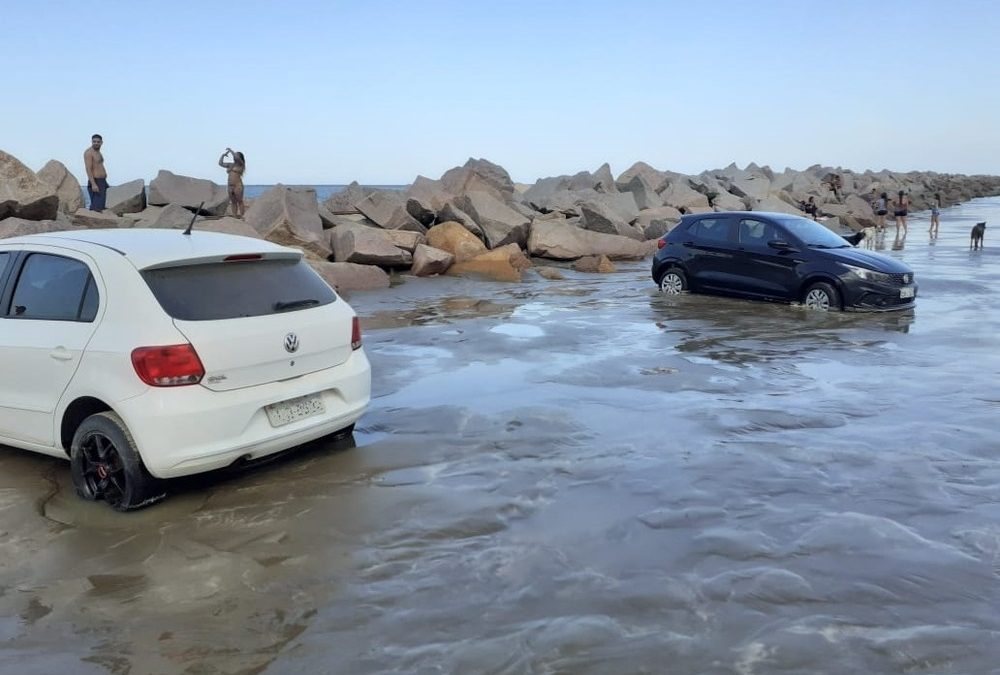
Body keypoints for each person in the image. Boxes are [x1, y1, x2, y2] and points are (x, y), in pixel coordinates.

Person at [218, 147, 246, 217]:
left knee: (240, 201)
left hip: (238, 185)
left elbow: (237, 158)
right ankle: (234, 216)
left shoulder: (241, 164)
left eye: (236, 155)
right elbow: (220, 163)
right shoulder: (231, 164)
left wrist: (230, 150)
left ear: (240, 157)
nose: (234, 156)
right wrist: (223, 155)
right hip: (230, 185)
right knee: (233, 202)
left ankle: (243, 215)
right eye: (234, 155)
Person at [84, 134, 108, 212]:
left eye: (98, 142)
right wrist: (93, 184)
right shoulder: (89, 153)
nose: (96, 143)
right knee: (96, 207)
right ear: (91, 142)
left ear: (101, 142)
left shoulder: (98, 152)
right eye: (94, 141)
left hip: (102, 181)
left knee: (103, 206)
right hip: (95, 181)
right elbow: (88, 169)